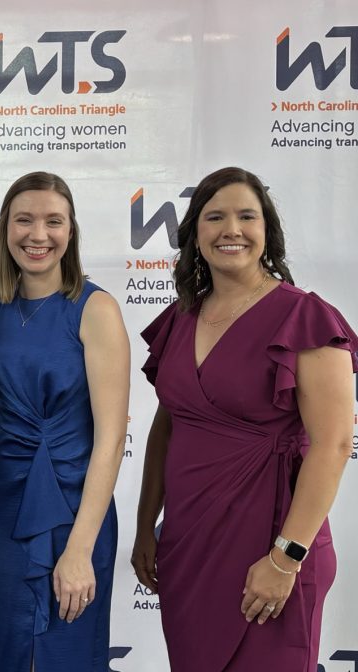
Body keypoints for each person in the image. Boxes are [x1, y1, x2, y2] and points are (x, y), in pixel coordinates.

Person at [131, 167, 357, 671]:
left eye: (246, 216)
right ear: (195, 235)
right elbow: (168, 429)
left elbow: (335, 445)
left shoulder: (306, 317)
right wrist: (147, 525)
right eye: (214, 217)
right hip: (189, 545)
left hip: (272, 544)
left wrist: (285, 558)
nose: (230, 229)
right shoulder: (179, 318)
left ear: (267, 232)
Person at [0, 172, 129, 670]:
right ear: (4, 229)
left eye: (53, 221)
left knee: (66, 655)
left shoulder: (95, 309)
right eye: (25, 220)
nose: (38, 235)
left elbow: (110, 440)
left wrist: (80, 550)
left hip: (74, 512)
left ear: (71, 231)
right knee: (6, 653)